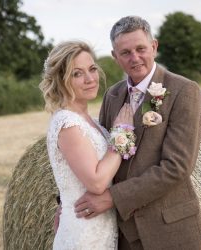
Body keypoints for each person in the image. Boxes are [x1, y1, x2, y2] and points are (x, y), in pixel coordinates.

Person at [72, 16, 201, 249]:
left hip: (170, 230)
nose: (135, 58)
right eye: (125, 53)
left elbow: (177, 167)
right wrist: (66, 201)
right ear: (115, 57)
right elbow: (98, 153)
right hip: (123, 233)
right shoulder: (111, 96)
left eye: (141, 49)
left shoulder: (183, 90)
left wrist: (113, 198)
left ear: (154, 46)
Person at [40, 40, 136, 249]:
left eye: (92, 69)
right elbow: (96, 183)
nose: (90, 79)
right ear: (60, 80)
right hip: (83, 235)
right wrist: (122, 133)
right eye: (77, 74)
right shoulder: (68, 124)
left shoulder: (88, 120)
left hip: (99, 228)